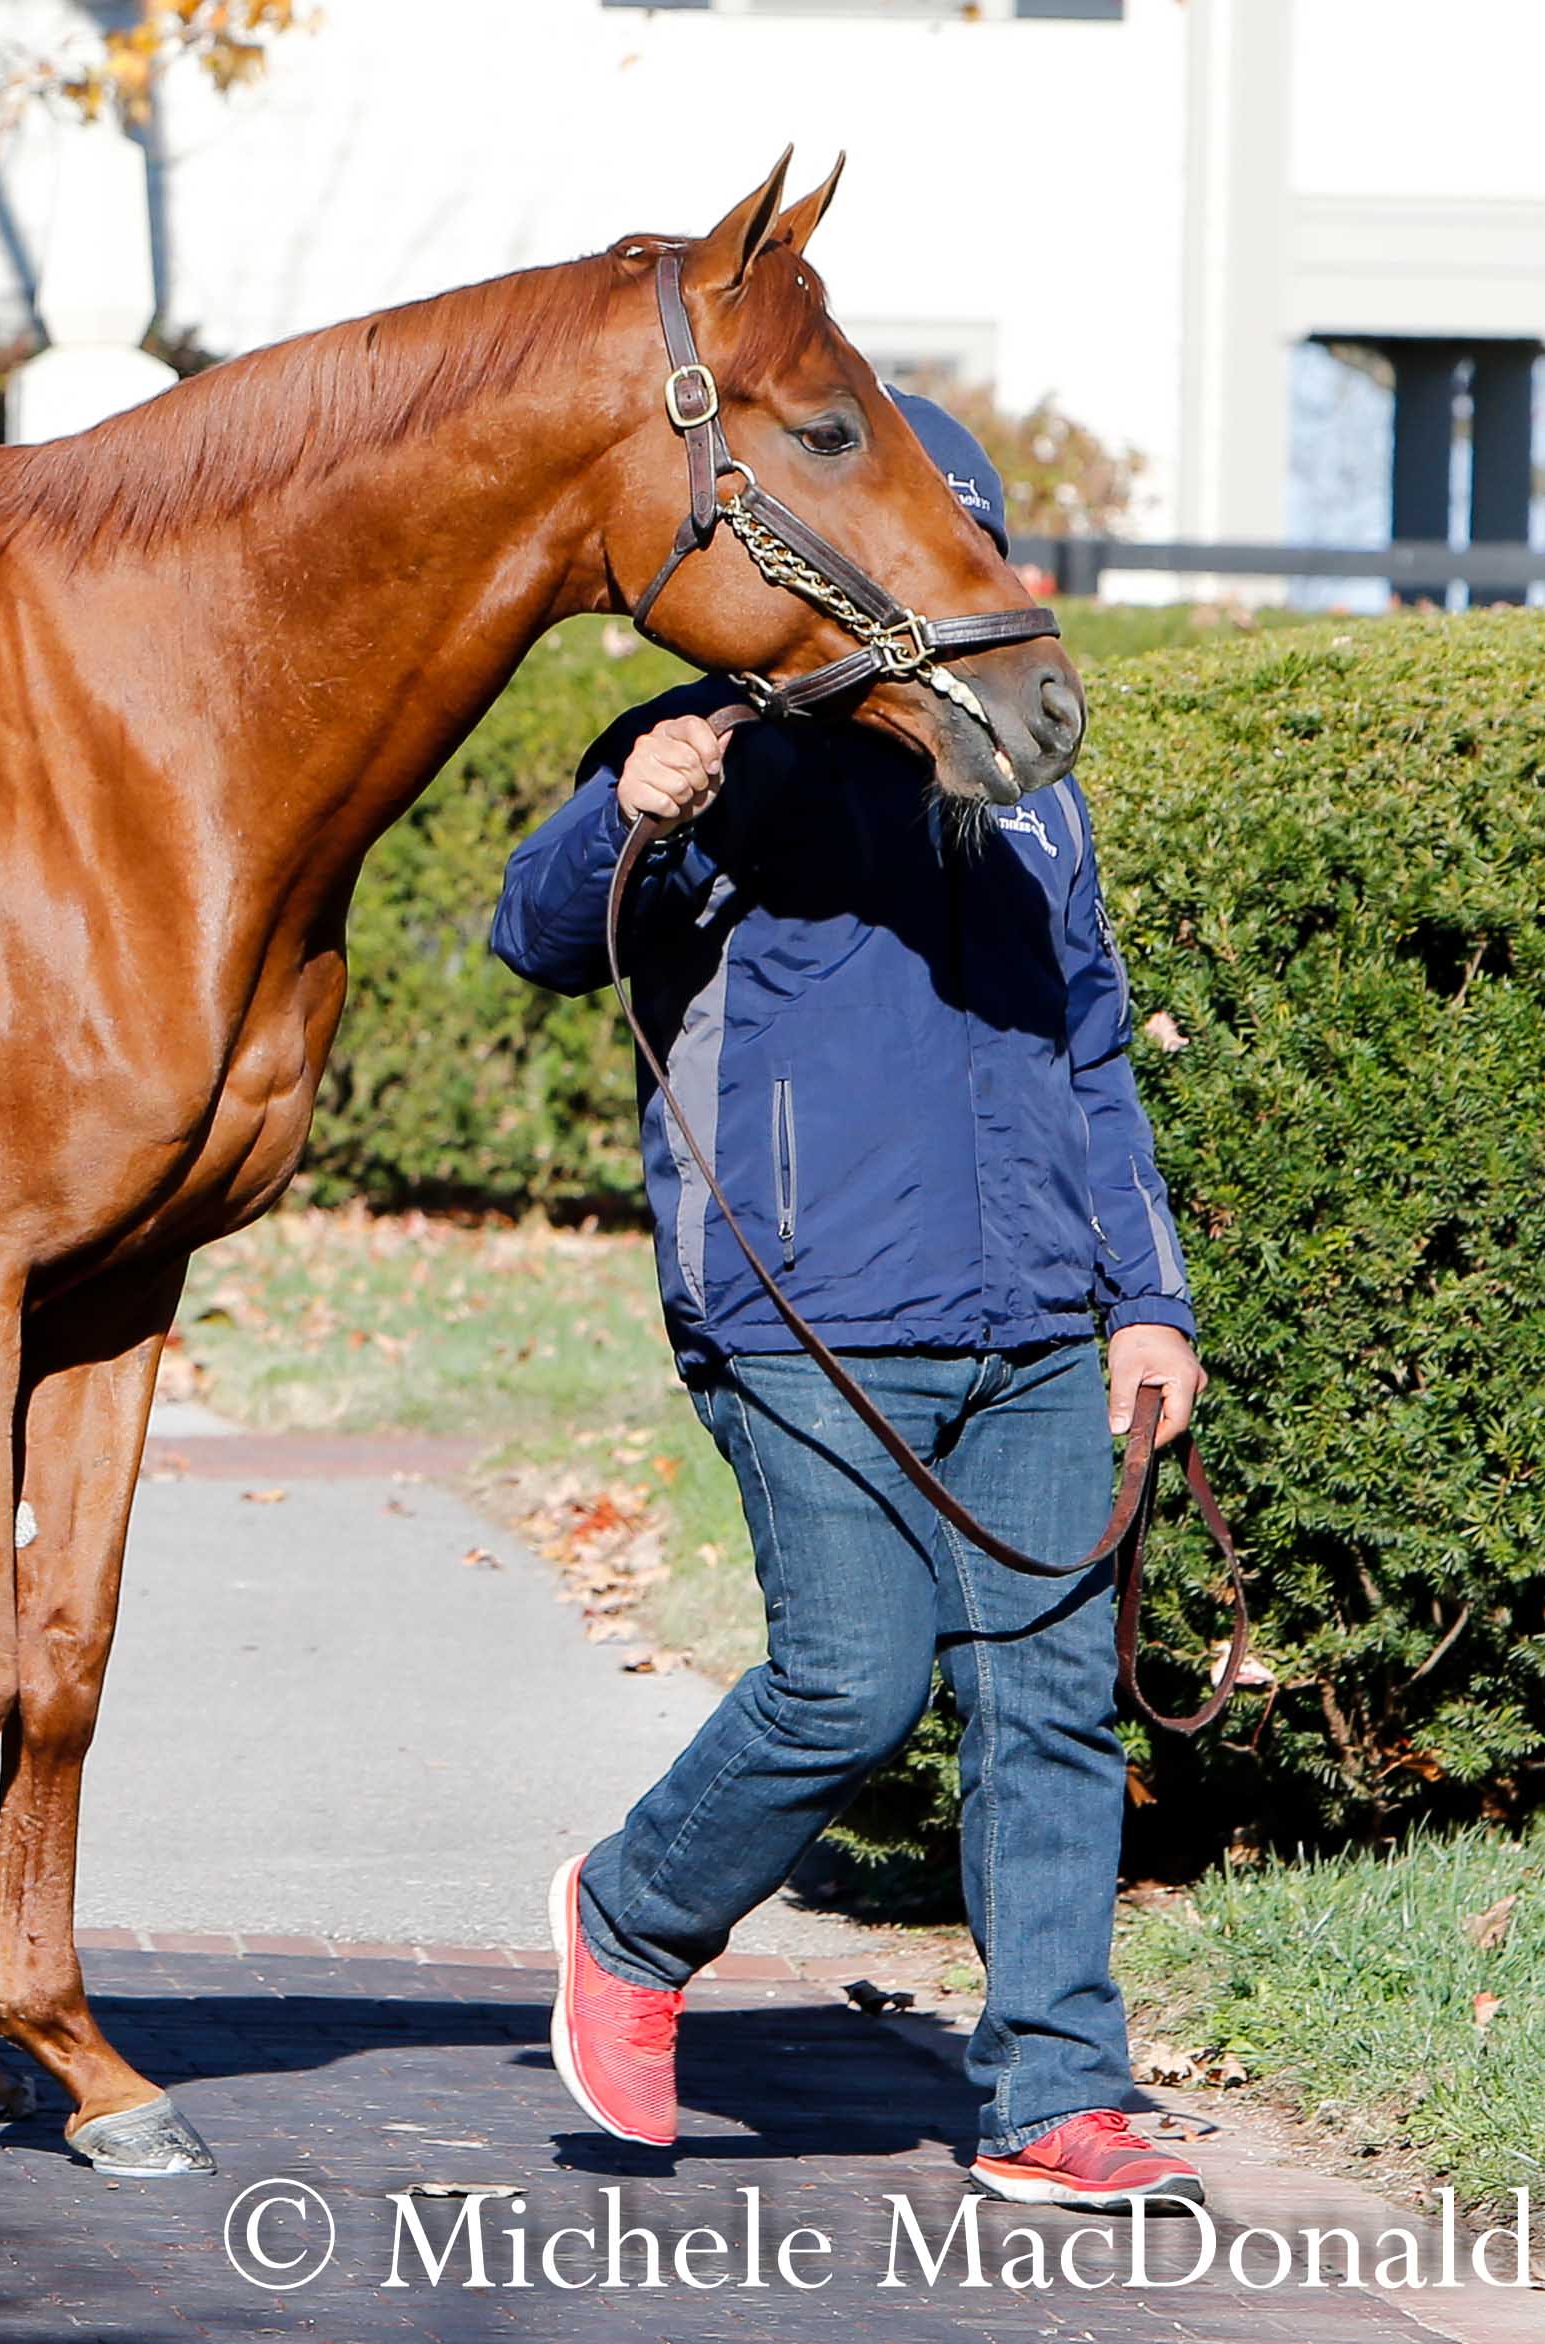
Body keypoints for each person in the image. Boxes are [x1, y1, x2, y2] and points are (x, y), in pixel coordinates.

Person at [490, 393, 1207, 2213]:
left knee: (1051, 1710)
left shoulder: (1033, 796)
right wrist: (618, 815)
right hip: (811, 1318)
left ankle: (1058, 2094)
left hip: (1042, 1316)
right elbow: (541, 933)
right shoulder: (720, 747)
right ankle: (632, 1918)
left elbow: (1095, 1049)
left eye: (962, 545)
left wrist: (1149, 1299)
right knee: (849, 1686)